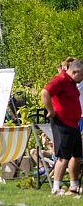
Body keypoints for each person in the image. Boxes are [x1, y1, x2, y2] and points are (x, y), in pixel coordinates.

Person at [41, 58, 83, 195]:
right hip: (62, 123)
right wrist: (51, 110)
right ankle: (56, 187)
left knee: (76, 155)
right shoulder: (61, 80)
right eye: (82, 75)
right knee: (63, 156)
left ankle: (74, 185)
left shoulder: (72, 83)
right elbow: (45, 92)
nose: (82, 78)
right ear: (75, 72)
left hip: (73, 124)